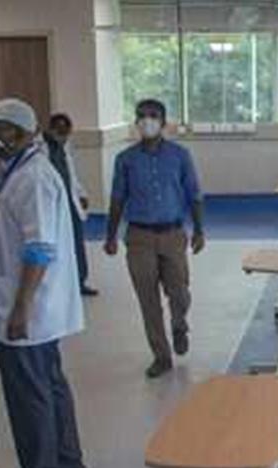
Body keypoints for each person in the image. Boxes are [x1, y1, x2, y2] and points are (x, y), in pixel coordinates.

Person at [0, 98, 88, 468]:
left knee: (30, 393)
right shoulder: (21, 171)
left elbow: (39, 248)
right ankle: (68, 464)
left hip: (28, 309)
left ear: (21, 133)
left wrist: (21, 307)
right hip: (35, 307)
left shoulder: (34, 178)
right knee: (50, 385)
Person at [103, 99, 206, 379]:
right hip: (139, 236)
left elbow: (194, 193)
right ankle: (161, 355)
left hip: (173, 233)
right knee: (148, 300)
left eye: (153, 116)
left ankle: (179, 323)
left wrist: (199, 230)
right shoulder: (125, 159)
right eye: (142, 116)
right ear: (136, 122)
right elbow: (117, 198)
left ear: (163, 122)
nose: (147, 121)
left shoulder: (180, 155)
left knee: (179, 292)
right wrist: (110, 236)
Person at [44, 112, 98, 297]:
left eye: (66, 133)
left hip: (70, 204)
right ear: (51, 129)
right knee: (57, 246)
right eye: (59, 131)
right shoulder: (41, 150)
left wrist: (81, 194)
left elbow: (71, 175)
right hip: (52, 206)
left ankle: (80, 281)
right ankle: (60, 285)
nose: (63, 136)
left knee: (76, 244)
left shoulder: (64, 148)